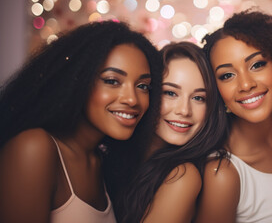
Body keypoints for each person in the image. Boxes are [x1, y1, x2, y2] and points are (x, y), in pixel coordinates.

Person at [0, 21, 162, 223]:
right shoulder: (34, 147)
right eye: (112, 81)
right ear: (77, 80)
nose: (132, 99)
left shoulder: (101, 160)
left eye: (143, 86)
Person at [195, 9, 272, 223]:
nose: (246, 84)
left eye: (257, 65)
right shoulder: (223, 175)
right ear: (216, 89)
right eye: (227, 75)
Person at [116, 41, 227, 223]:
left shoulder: (183, 176)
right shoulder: (112, 153)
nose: (184, 110)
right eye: (170, 93)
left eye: (199, 98)